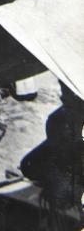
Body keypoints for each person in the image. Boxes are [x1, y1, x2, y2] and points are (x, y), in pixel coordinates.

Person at [20, 82, 84, 231]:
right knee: (30, 165)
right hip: (68, 158)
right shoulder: (59, 119)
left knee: (63, 194)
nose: (63, 97)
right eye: (65, 93)